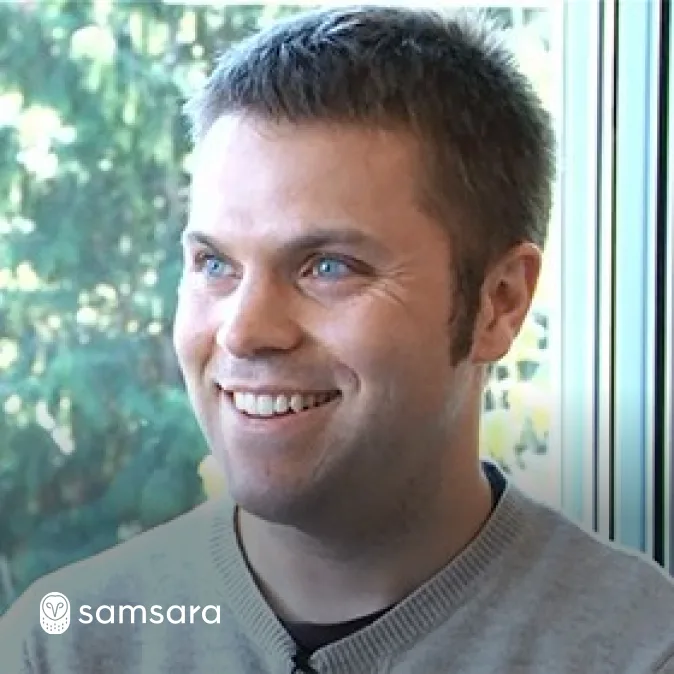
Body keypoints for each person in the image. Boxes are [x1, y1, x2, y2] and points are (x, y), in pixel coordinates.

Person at [2, 6, 673, 674]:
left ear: (499, 303)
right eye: (213, 264)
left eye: (328, 267)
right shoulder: (64, 644)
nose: (243, 330)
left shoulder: (645, 649)